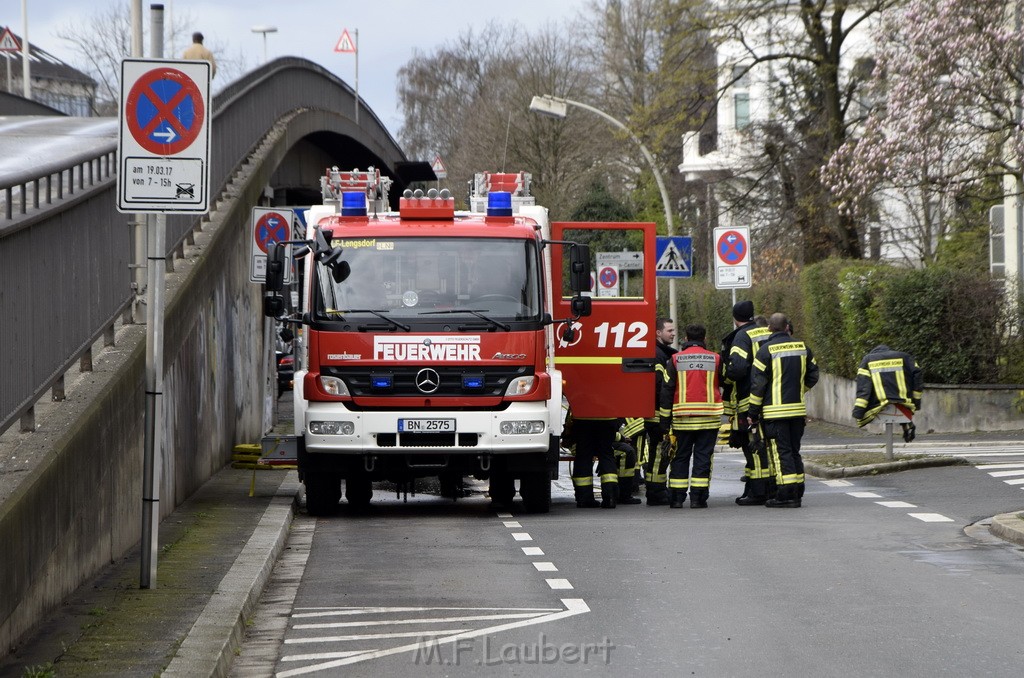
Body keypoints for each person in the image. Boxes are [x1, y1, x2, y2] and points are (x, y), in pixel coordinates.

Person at [747, 313, 818, 508]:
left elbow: (758, 386)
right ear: (787, 327)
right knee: (795, 451)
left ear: (769, 328)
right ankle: (798, 489)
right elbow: (813, 375)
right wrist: (798, 390)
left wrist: (752, 412)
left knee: (781, 452)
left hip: (775, 412)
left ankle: (786, 494)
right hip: (797, 409)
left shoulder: (764, 352)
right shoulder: (803, 348)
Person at [660, 324, 723, 508]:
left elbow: (667, 391)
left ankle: (677, 499)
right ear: (704, 339)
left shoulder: (675, 359)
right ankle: (698, 498)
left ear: (686, 339)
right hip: (709, 418)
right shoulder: (716, 359)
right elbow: (727, 381)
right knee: (703, 458)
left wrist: (664, 421)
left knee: (680, 457)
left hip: (682, 419)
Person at [721, 301, 772, 505]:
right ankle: (757, 487)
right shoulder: (765, 333)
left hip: (747, 400)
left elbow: (738, 369)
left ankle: (758, 492)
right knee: (764, 446)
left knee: (753, 448)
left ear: (735, 318)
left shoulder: (741, 337)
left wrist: (725, 376)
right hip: (768, 398)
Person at [641, 317, 678, 506]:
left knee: (661, 452)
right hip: (656, 412)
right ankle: (656, 492)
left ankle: (658, 489)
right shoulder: (658, 355)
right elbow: (658, 385)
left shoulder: (662, 353)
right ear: (658, 332)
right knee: (658, 453)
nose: (673, 333)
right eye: (669, 330)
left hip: (657, 411)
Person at [852, 345, 923, 442]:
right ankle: (907, 428)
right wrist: (916, 403)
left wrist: (858, 412)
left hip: (879, 405)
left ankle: (906, 430)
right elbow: (917, 377)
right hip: (904, 402)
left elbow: (863, 387)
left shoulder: (868, 360)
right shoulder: (904, 357)